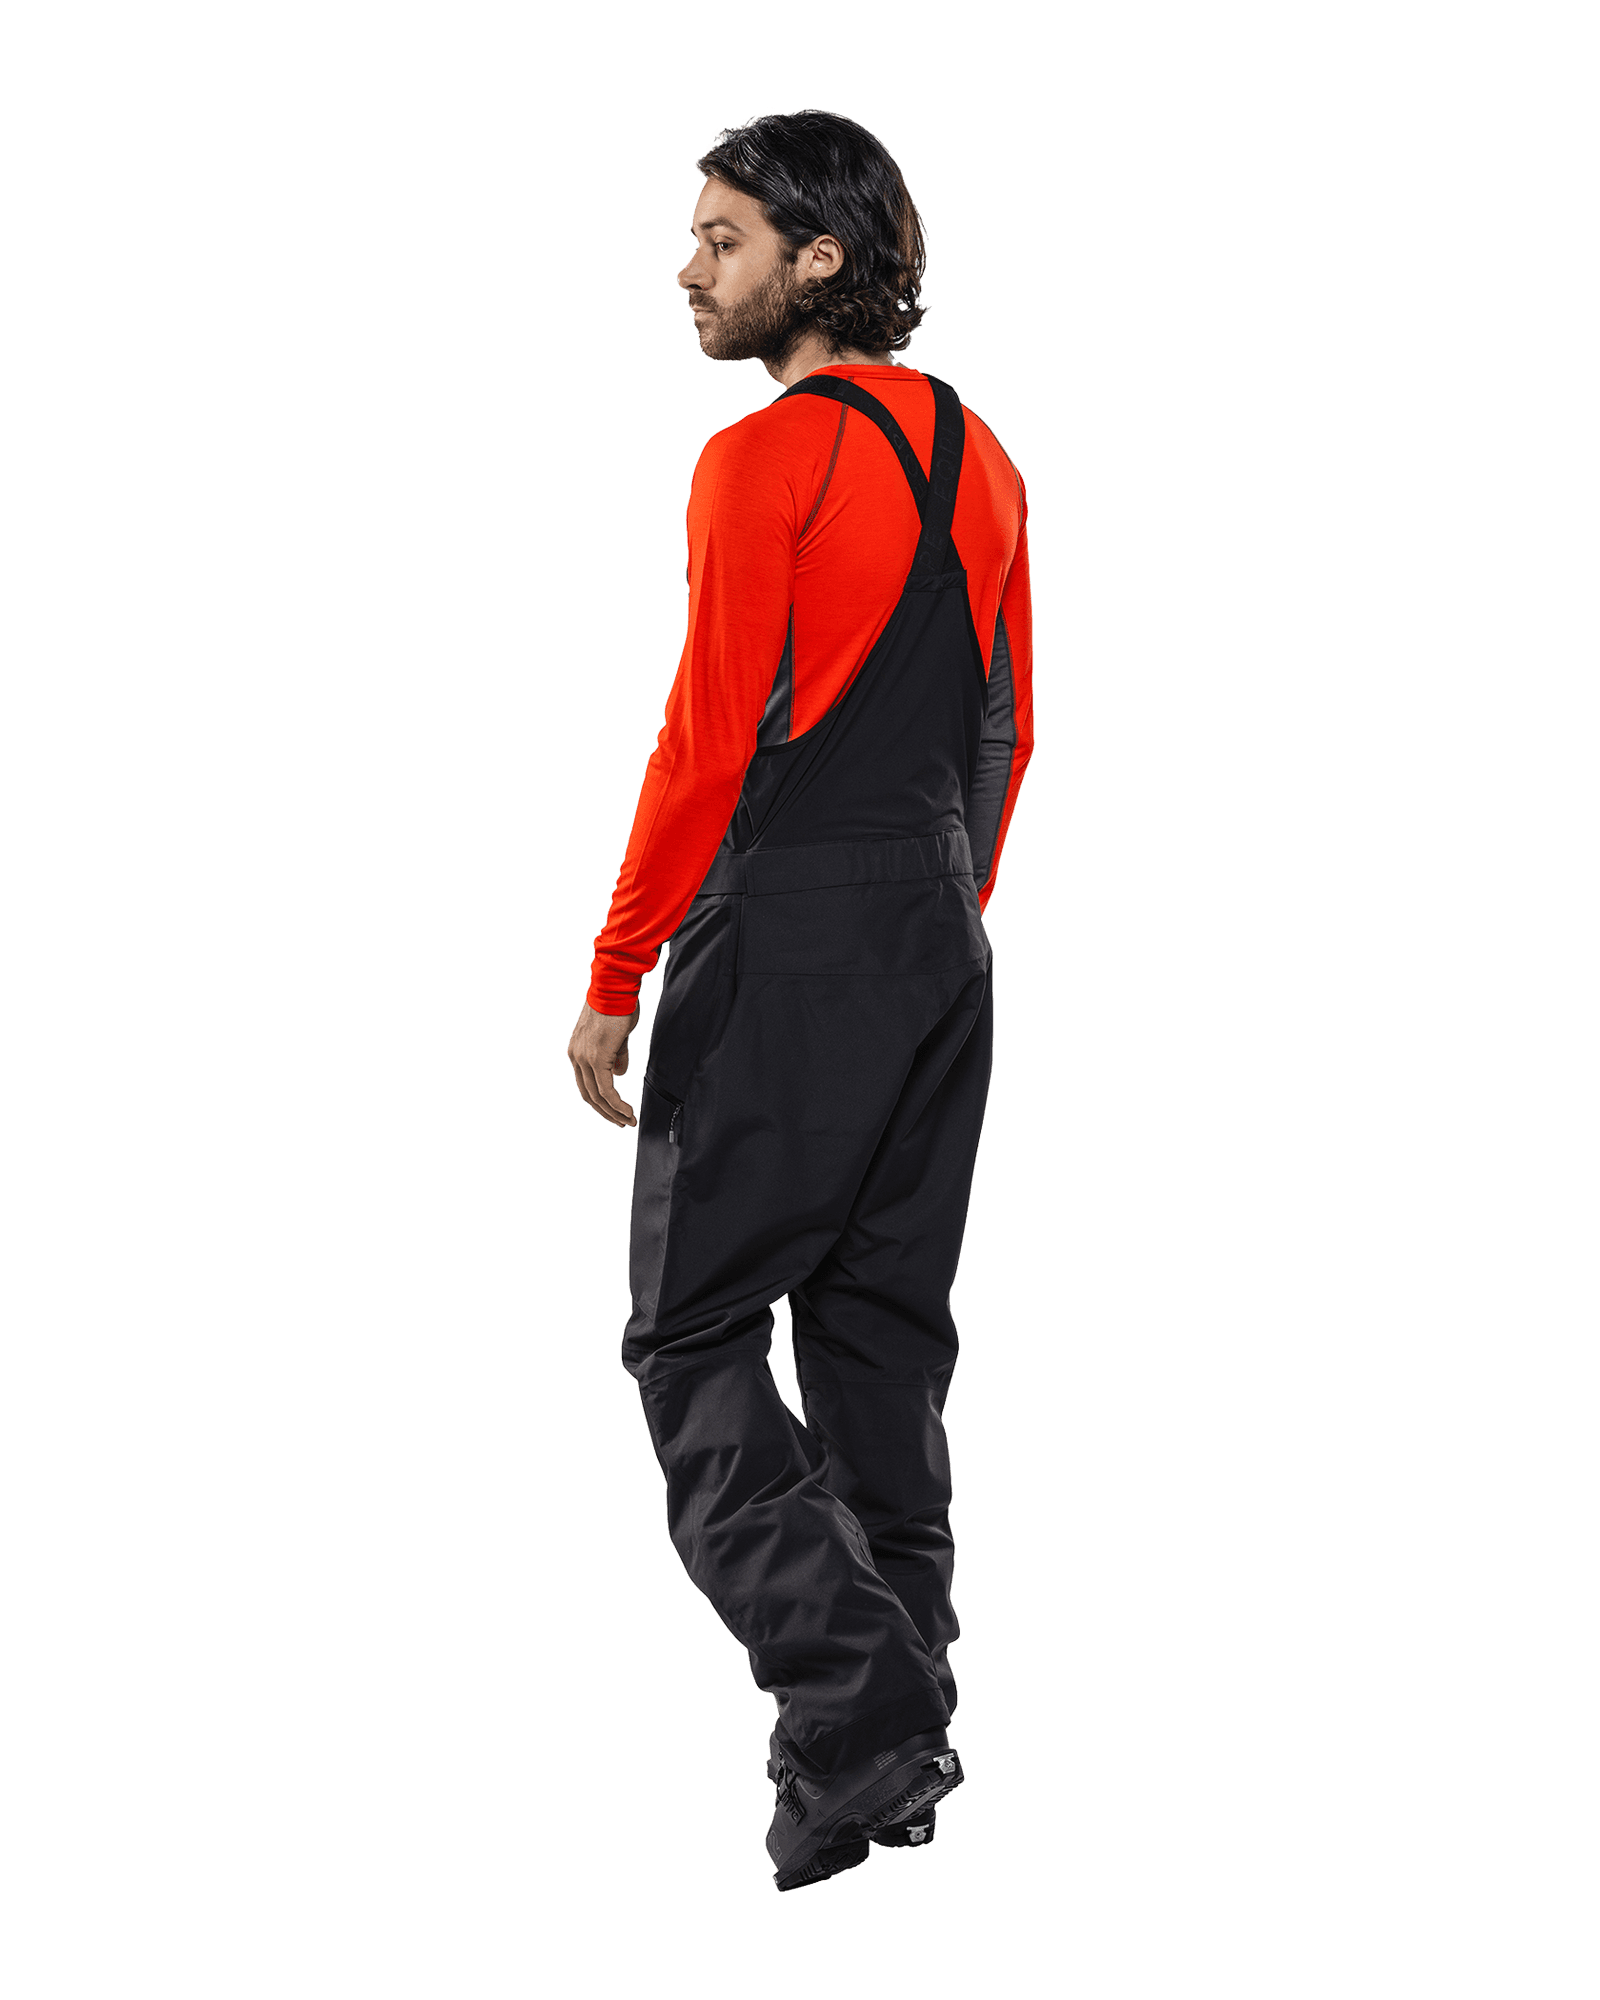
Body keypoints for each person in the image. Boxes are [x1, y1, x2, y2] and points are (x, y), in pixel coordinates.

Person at [566, 108, 1035, 1891]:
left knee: (688, 1340)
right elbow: (1009, 729)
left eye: (722, 240)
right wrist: (940, 915)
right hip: (939, 933)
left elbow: (704, 745)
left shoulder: (759, 457)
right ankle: (872, 1763)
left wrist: (619, 974)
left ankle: (863, 1705)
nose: (690, 272)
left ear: (817, 260)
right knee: (878, 1337)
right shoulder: (983, 455)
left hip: (792, 930)